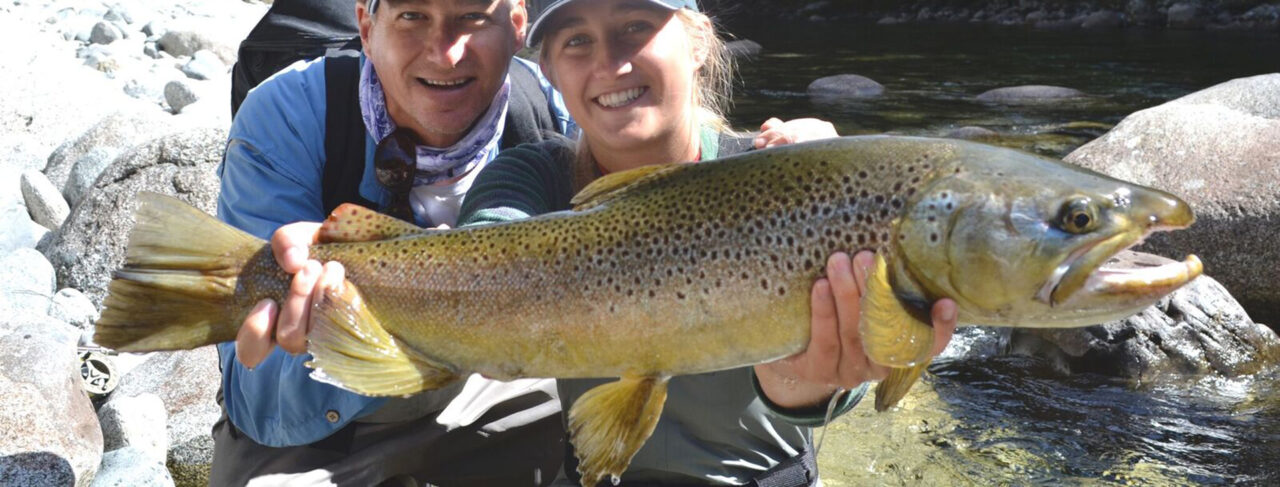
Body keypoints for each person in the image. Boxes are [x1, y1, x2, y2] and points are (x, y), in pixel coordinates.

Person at [452, 0, 959, 485]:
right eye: (578, 40)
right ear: (550, 72)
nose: (609, 63)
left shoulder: (781, 176)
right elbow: (476, 260)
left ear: (698, 42)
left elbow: (835, 385)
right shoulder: (535, 176)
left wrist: (800, 375)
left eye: (635, 27)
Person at [212, 0, 575, 485]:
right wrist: (422, 312)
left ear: (516, 27)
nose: (446, 54)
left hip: (500, 394)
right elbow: (255, 395)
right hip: (331, 430)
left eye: (472, 17)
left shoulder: (562, 108)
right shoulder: (287, 117)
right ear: (366, 26)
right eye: (413, 17)